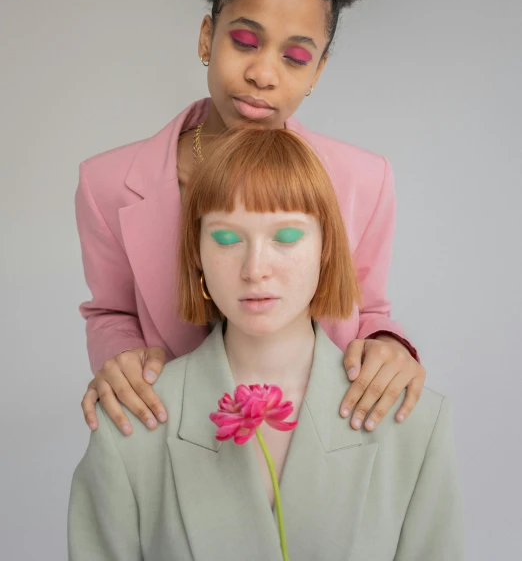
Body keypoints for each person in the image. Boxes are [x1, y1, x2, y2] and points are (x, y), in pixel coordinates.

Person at [77, 0, 426, 440]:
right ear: (207, 37)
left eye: (295, 56)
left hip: (313, 442)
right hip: (174, 442)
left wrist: (389, 348)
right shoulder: (108, 183)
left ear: (317, 71)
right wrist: (121, 359)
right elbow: (111, 310)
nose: (265, 73)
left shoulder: (363, 182)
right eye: (244, 40)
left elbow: (367, 310)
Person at [68, 128, 464, 561]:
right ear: (195, 254)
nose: (255, 269)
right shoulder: (128, 428)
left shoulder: (415, 424)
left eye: (287, 237)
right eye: (225, 237)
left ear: (327, 248)